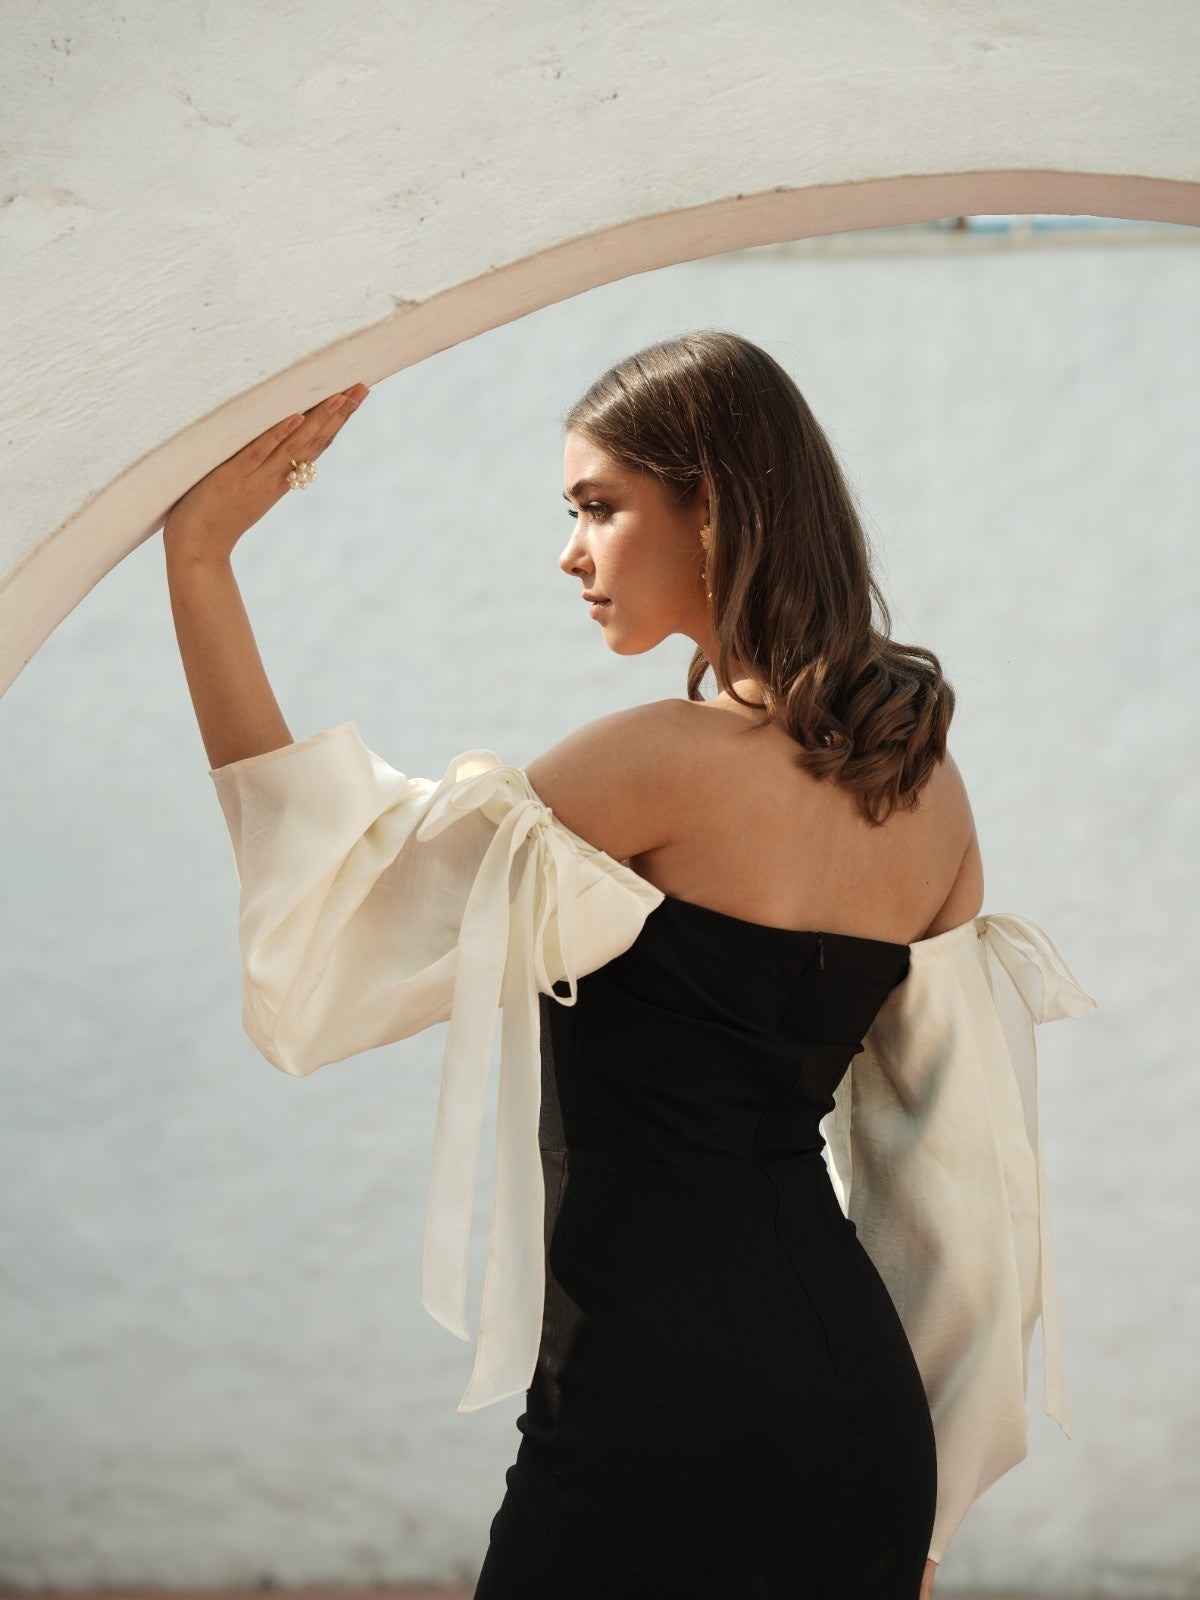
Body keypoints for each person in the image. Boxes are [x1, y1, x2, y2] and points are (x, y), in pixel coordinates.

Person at [163, 331, 1096, 1599]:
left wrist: (200, 561)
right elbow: (962, 1185)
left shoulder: (652, 761)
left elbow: (343, 914)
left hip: (650, 1405)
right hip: (860, 1419)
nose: (572, 552)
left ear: (713, 507)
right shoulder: (927, 792)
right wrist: (925, 1510)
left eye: (598, 507)